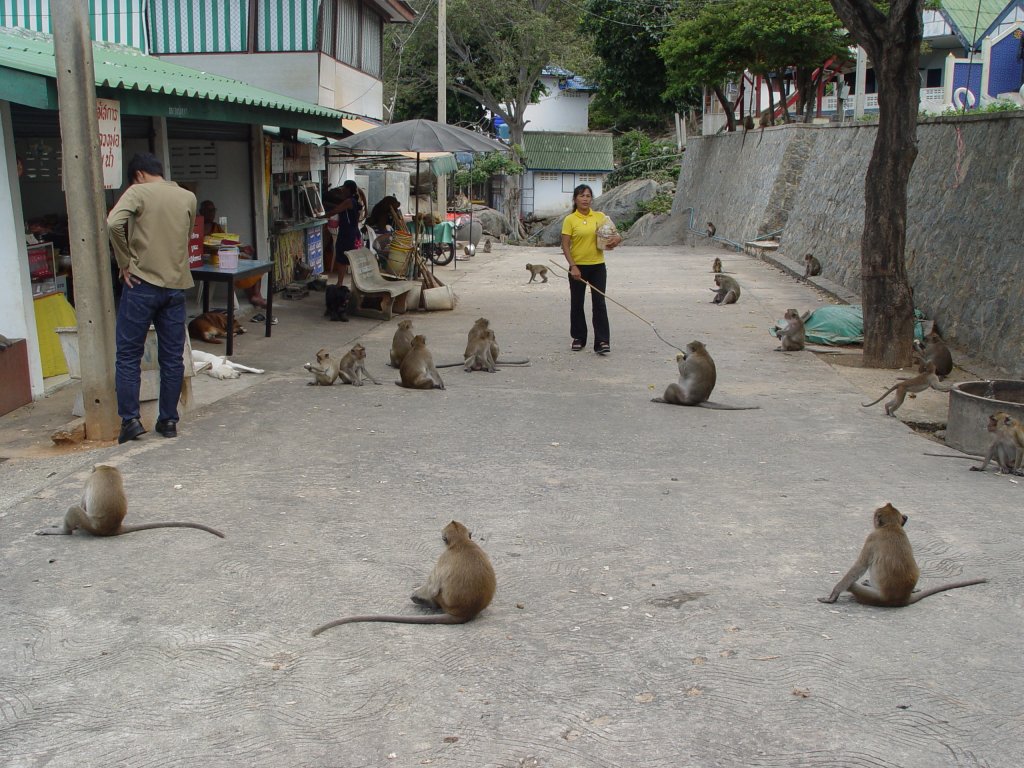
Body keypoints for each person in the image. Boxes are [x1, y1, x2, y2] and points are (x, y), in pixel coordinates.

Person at [107, 153, 197, 444]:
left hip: (141, 283)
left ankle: (131, 421)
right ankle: (168, 420)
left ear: (139, 175)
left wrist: (124, 261)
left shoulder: (137, 191)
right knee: (172, 358)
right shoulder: (187, 197)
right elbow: (185, 234)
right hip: (175, 287)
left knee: (128, 356)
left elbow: (113, 224)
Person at [560, 184, 622, 355]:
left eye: (588, 196)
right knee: (577, 303)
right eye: (581, 196)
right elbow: (565, 245)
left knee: (599, 303)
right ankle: (578, 338)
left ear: (591, 199)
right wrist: (573, 266)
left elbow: (616, 234)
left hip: (597, 266)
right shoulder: (570, 220)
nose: (585, 199)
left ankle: (602, 341)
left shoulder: (600, 216)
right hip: (577, 267)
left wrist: (615, 240)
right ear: (575, 199)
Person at [198, 199, 267, 309]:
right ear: (201, 211)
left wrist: (242, 248)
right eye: (209, 210)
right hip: (208, 261)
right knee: (236, 265)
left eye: (213, 210)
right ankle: (254, 297)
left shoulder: (216, 226)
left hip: (222, 256)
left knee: (252, 265)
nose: (212, 213)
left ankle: (256, 295)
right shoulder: (197, 226)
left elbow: (225, 241)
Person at [324, 179, 365, 287]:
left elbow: (335, 211)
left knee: (342, 259)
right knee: (353, 259)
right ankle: (355, 284)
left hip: (347, 234)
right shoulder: (356, 201)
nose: (342, 190)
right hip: (355, 233)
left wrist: (321, 216)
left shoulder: (348, 201)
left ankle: (340, 283)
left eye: (344, 188)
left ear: (348, 189)